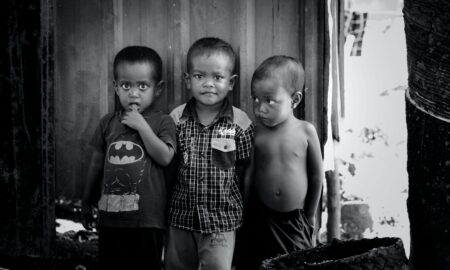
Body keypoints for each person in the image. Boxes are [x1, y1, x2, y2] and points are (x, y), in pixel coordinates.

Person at [81, 46, 176, 269]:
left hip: (147, 221)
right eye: (126, 86)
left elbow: (165, 157)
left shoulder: (163, 122)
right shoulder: (108, 123)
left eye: (143, 86)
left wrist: (142, 126)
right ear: (116, 87)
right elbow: (96, 164)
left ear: (158, 88)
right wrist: (86, 200)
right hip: (111, 218)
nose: (134, 93)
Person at [164, 37, 254, 270]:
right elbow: (170, 166)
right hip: (180, 216)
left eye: (217, 77)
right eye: (199, 76)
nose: (208, 84)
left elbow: (244, 169)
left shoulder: (240, 123)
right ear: (187, 80)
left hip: (222, 221)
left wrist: (244, 208)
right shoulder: (176, 119)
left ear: (231, 82)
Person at [243, 55, 323, 269]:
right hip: (260, 218)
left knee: (296, 265)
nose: (260, 108)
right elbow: (250, 173)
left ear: (295, 100)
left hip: (294, 221)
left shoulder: (306, 131)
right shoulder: (255, 133)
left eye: (269, 100)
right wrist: (244, 211)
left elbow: (316, 177)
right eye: (255, 99)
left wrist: (310, 216)